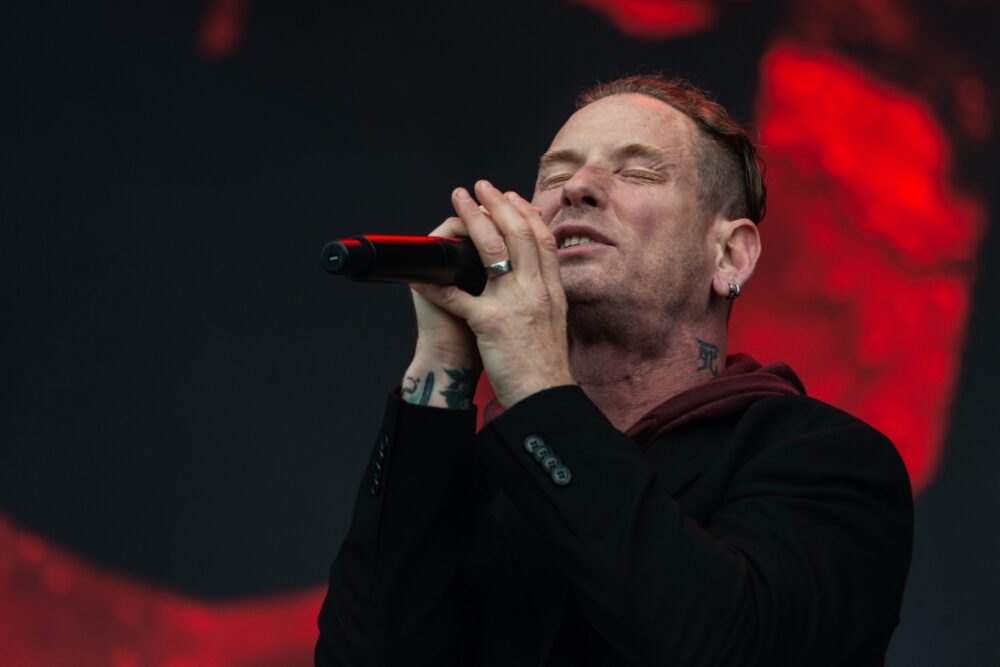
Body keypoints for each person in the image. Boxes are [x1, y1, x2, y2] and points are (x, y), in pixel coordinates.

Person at [314, 75, 913, 666]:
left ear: (730, 255)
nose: (577, 188)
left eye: (637, 171)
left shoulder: (828, 461)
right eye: (554, 174)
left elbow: (725, 644)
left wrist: (538, 387)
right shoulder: (485, 469)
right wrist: (441, 369)